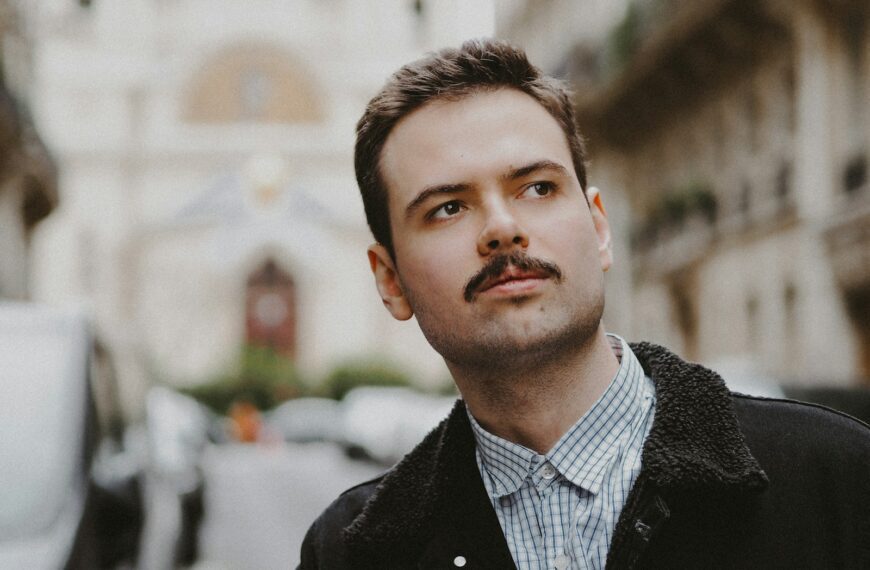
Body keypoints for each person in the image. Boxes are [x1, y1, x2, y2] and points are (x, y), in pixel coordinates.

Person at [299, 39, 870, 569]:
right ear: (391, 280)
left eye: (537, 188)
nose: (502, 228)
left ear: (599, 229)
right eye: (448, 207)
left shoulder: (837, 479)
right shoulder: (352, 552)